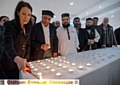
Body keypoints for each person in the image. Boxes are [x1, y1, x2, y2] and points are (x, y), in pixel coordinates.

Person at [0, 1, 32, 79]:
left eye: (29, 15)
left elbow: (27, 43)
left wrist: (25, 58)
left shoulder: (28, 27)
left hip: (21, 62)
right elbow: (7, 45)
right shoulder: (10, 25)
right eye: (24, 14)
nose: (26, 17)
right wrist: (17, 59)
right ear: (18, 12)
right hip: (9, 62)